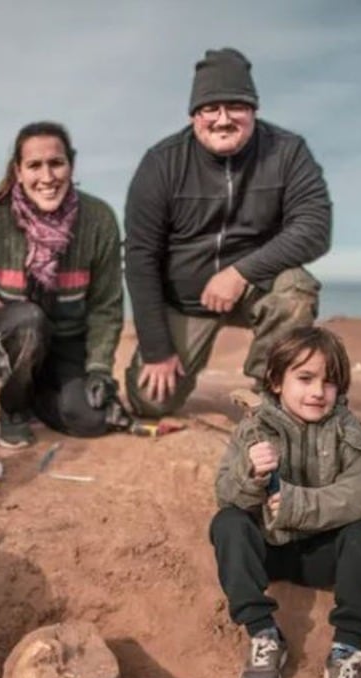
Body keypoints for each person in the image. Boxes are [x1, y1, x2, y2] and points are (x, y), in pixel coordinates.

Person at [124, 47, 333, 418]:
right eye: (210, 108)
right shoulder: (161, 162)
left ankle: (270, 402)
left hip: (255, 287)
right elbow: (140, 257)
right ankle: (163, 367)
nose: (222, 119)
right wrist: (157, 349)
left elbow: (314, 228)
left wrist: (240, 273)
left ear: (253, 109)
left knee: (296, 290)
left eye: (235, 106)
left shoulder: (287, 151)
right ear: (194, 116)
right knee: (150, 401)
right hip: (184, 299)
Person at [209, 326, 361, 678]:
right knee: (228, 523)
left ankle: (347, 650)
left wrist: (298, 504)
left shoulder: (350, 431)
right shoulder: (255, 429)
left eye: (330, 382)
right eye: (305, 379)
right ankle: (263, 632)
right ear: (276, 381)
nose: (318, 392)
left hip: (323, 556)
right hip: (268, 552)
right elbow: (226, 493)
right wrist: (251, 473)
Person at [0, 121, 127, 447]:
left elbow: (105, 306)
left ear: (71, 165)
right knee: (29, 320)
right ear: (18, 171)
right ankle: (13, 409)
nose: (47, 177)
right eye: (34, 165)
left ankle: (38, 395)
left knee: (91, 420)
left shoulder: (99, 220)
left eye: (56, 163)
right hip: (4, 334)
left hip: (66, 339)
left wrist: (99, 370)